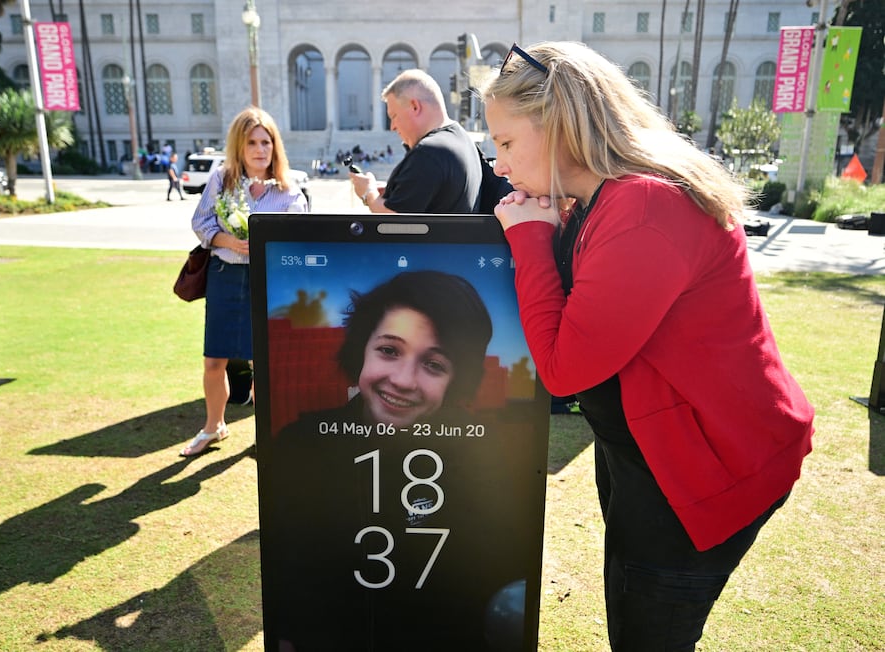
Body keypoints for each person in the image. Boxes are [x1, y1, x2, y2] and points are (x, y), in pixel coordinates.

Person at [479, 41, 815, 651]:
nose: (499, 165)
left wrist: (530, 239)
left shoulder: (644, 208)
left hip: (703, 464)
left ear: (562, 125)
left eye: (505, 143)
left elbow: (562, 370)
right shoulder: (607, 197)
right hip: (654, 450)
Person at [264, 271, 542, 650]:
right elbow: (287, 577)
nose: (404, 380)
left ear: (456, 380)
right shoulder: (300, 445)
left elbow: (497, 575)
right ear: (361, 348)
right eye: (390, 351)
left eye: (434, 365)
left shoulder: (484, 453)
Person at [181, 107, 308, 457]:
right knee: (214, 361)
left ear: (275, 145)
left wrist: (268, 243)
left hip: (266, 282)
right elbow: (202, 223)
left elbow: (299, 238)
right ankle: (213, 427)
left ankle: (264, 435)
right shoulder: (221, 180)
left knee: (262, 364)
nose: (260, 149)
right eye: (251, 142)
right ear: (239, 145)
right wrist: (230, 241)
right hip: (225, 276)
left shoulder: (289, 191)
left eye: (266, 142)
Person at [349, 69, 483, 214]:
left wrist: (368, 193)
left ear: (415, 107)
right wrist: (399, 189)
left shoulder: (428, 153)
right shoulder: (463, 139)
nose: (392, 127)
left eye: (394, 116)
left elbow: (393, 218)